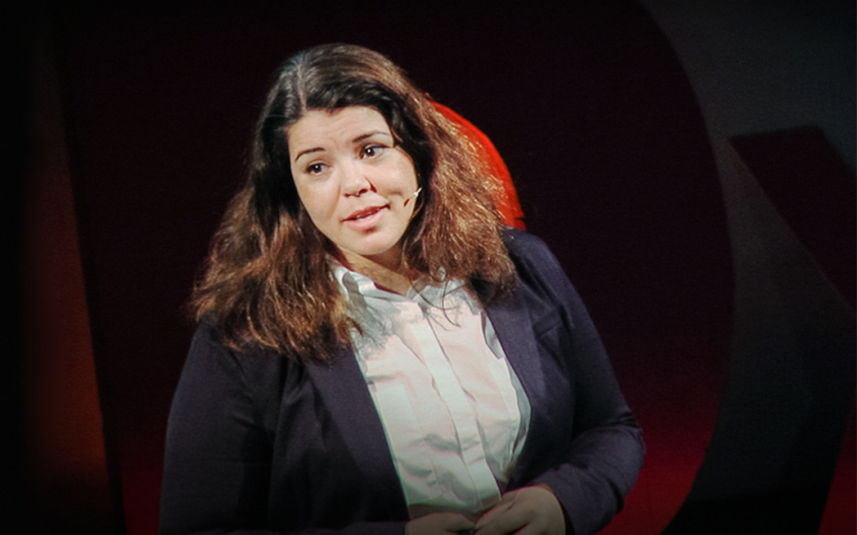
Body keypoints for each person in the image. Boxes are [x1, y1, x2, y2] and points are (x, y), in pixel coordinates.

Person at [160, 43, 644, 535]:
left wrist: (563, 502)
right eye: (316, 166)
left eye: (371, 150)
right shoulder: (246, 332)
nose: (353, 184)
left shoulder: (522, 265)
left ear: (416, 151)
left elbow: (611, 428)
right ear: (292, 190)